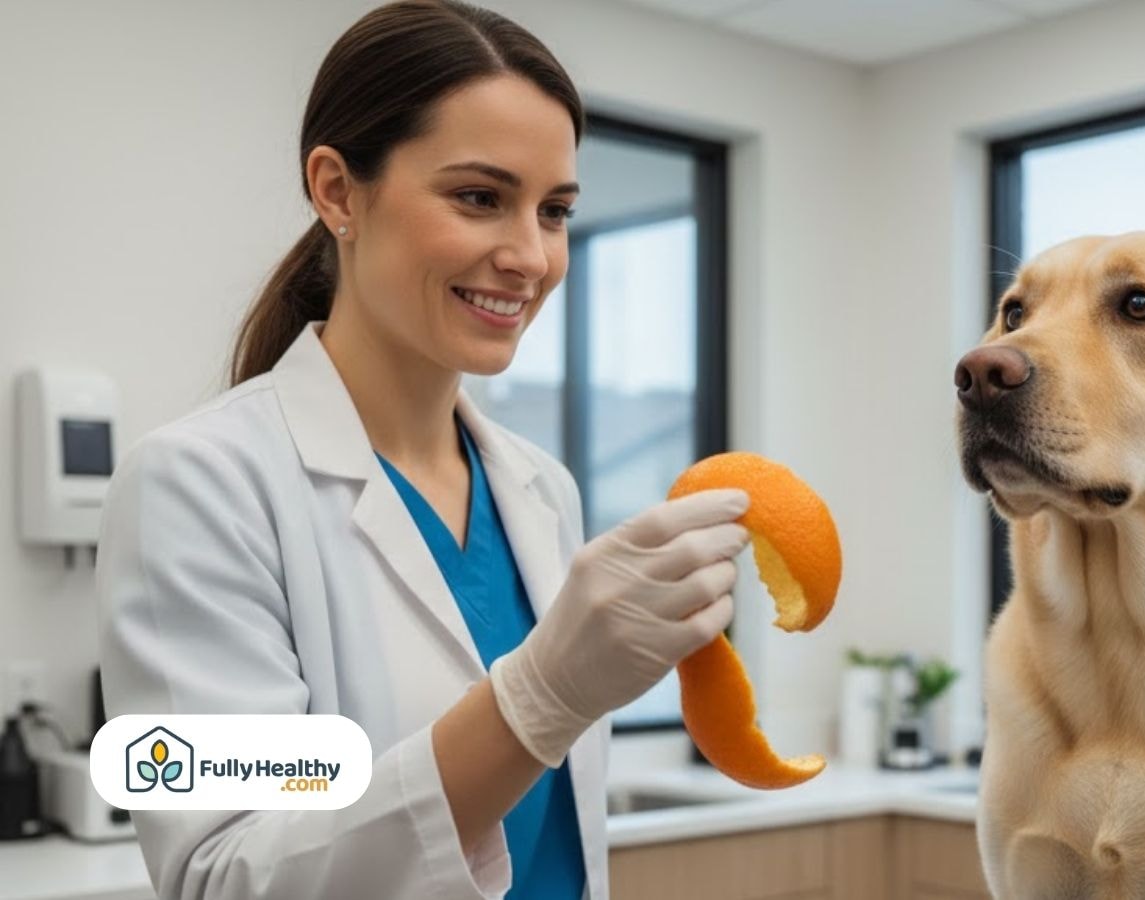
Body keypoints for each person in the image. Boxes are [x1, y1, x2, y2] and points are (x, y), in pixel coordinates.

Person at [94, 2, 748, 897]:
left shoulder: (542, 490)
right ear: (336, 191)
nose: (530, 256)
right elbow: (224, 874)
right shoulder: (200, 485)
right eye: (480, 197)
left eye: (554, 211)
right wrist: (539, 699)